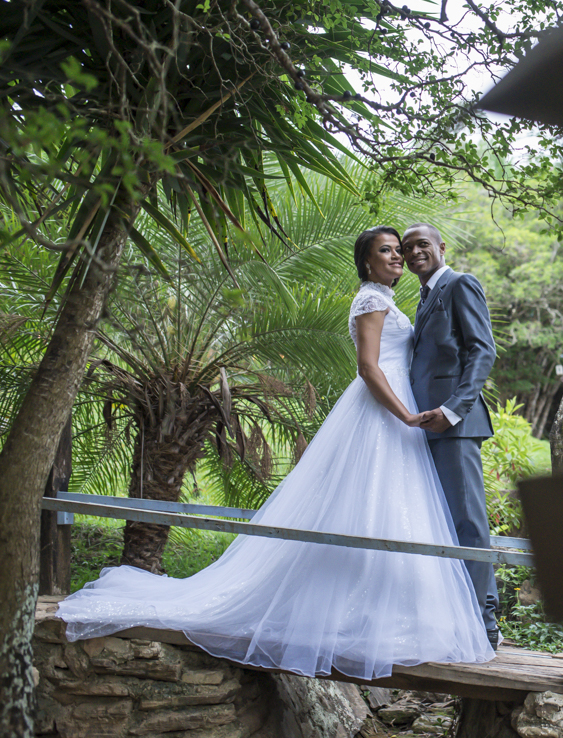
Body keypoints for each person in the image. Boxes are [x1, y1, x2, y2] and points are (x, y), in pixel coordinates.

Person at [55, 226, 494, 678]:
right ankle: (380, 614)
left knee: (398, 510)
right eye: (389, 250)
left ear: (440, 249)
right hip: (392, 412)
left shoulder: (414, 295)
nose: (400, 255)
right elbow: (368, 366)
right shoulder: (373, 300)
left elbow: (462, 351)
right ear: (366, 262)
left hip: (412, 414)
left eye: (401, 249)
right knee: (375, 507)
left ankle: (410, 613)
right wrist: (404, 414)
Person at [401, 223, 501, 649]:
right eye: (407, 248)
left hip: (455, 426)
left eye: (422, 244)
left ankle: (485, 624)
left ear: (441, 247)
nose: (414, 252)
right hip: (426, 427)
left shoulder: (461, 285)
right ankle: (452, 618)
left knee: (468, 522)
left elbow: (483, 350)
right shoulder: (424, 299)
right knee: (441, 522)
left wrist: (452, 410)